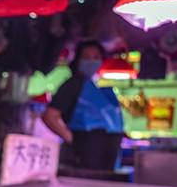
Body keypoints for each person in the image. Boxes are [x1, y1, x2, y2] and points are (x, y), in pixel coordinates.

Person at [42, 40, 124, 170]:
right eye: (86, 57)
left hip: (105, 159)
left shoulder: (95, 86)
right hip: (79, 159)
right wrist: (72, 140)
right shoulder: (72, 85)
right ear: (77, 60)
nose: (91, 61)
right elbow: (49, 116)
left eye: (96, 57)